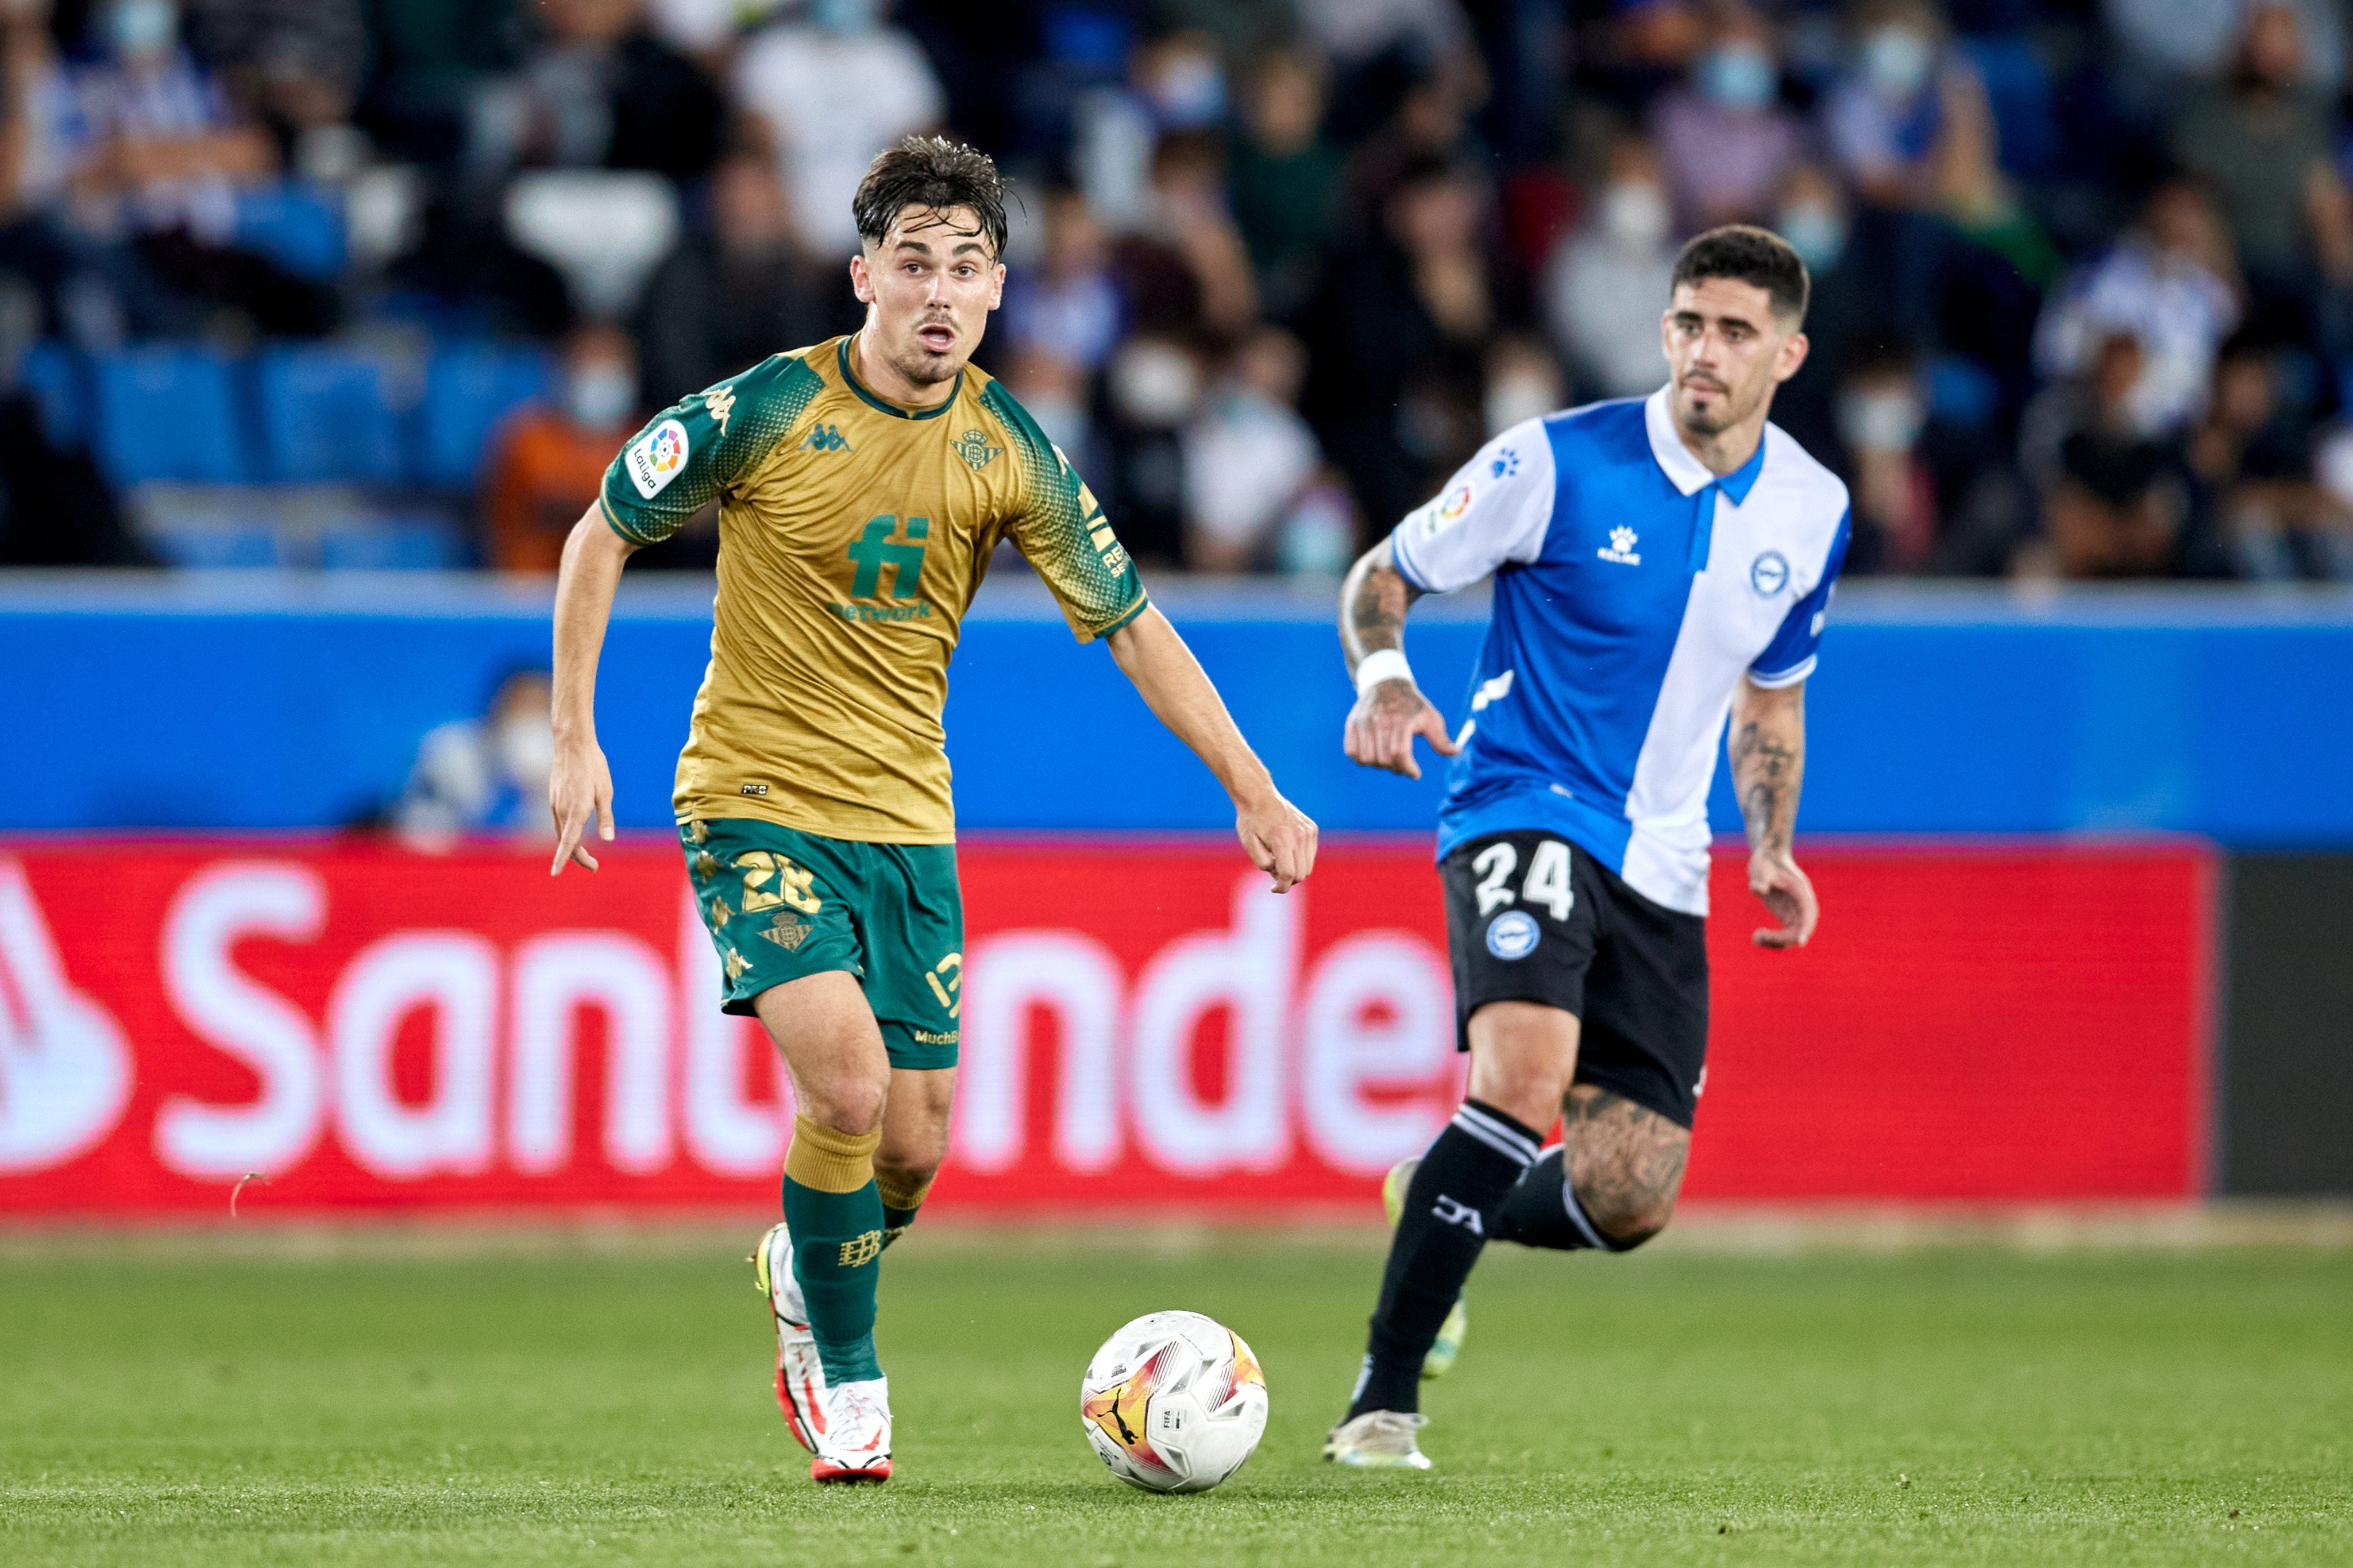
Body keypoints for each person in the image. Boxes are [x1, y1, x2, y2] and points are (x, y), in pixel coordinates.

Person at [544, 136, 1317, 1485]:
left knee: (911, 1143)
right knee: (841, 1085)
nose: (939, 294)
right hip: (754, 796)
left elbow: (1129, 626)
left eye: (966, 269)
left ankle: (809, 1257)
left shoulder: (1008, 445)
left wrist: (1251, 786)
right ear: (863, 277)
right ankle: (843, 1377)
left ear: (1000, 290)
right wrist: (573, 739)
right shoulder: (765, 411)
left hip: (906, 823)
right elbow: (600, 529)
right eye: (913, 266)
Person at [1323, 226, 1849, 1470]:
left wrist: (1769, 841)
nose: (1701, 352)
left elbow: (1769, 697)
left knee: (1628, 1195)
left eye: (1731, 331)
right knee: (1516, 1082)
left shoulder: (1812, 508)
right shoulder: (1551, 461)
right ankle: (1380, 1406)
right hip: (1521, 801)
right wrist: (1387, 681)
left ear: (1787, 351)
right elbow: (1378, 576)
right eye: (1685, 324)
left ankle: (1435, 1196)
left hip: (1666, 865)